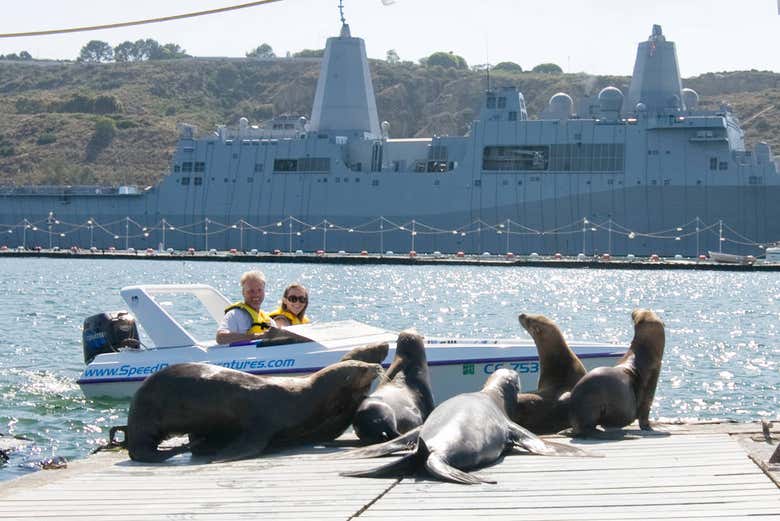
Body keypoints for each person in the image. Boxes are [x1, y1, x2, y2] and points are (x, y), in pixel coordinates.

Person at [215, 270, 277, 344]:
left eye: (259, 290)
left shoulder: (270, 321)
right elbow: (220, 338)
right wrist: (255, 337)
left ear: (264, 292)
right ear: (243, 292)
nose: (256, 294)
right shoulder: (234, 315)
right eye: (251, 291)